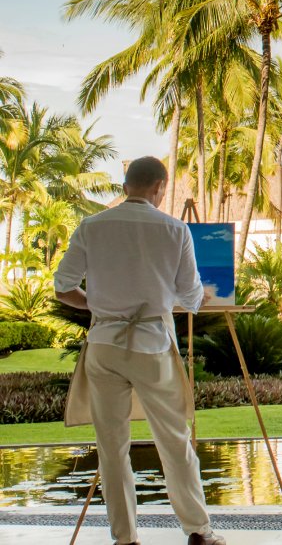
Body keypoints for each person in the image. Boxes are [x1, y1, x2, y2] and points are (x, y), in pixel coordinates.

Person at [53, 157, 226, 545]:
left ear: (125, 184)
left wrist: (98, 306)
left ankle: (126, 539)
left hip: (104, 345)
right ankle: (198, 531)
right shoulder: (174, 229)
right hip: (151, 344)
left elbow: (63, 287)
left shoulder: (92, 226)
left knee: (111, 447)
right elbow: (191, 295)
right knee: (174, 440)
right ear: (160, 187)